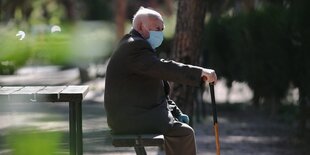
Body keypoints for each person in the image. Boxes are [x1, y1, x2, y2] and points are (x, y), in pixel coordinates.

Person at [104, 7, 217, 155]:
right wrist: (200, 72)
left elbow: (156, 87)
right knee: (184, 133)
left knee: (180, 128)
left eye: (162, 29)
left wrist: (174, 111)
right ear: (140, 27)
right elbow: (164, 68)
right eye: (157, 28)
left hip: (132, 114)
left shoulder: (135, 45)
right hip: (129, 118)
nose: (160, 33)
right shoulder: (135, 47)